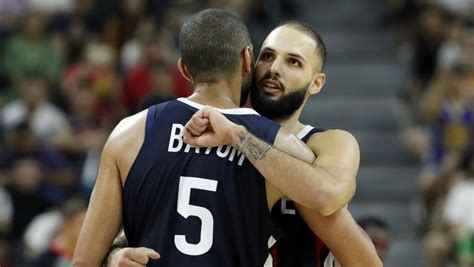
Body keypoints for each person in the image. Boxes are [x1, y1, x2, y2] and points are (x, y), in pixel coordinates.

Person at [71, 9, 364, 267]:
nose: (274, 69)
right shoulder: (286, 148)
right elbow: (159, 225)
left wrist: (237, 135)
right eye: (268, 56)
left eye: (293, 62)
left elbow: (84, 260)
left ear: (184, 68)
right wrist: (114, 255)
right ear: (248, 59)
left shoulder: (128, 132)